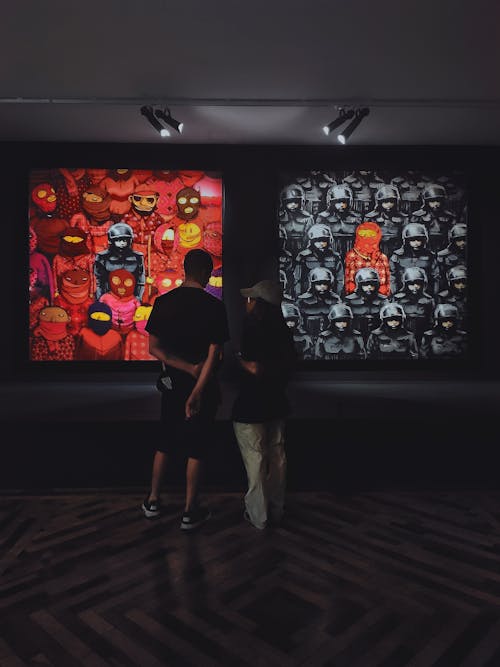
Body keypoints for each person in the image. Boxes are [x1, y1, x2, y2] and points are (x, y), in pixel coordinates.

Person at [142, 248, 230, 530]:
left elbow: (154, 348)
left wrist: (181, 367)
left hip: (171, 386)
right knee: (197, 447)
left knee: (164, 441)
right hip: (202, 388)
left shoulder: (164, 302)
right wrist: (197, 387)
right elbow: (215, 354)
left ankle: (153, 501)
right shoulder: (214, 306)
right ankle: (190, 510)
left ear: (184, 269)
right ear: (205, 273)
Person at [232, 279, 296, 530]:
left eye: (251, 299)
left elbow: (255, 368)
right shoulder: (284, 331)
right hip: (277, 404)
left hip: (250, 406)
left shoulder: (252, 329)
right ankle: (277, 509)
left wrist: (237, 358)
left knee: (255, 461)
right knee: (277, 459)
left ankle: (259, 516)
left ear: (259, 304)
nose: (247, 302)